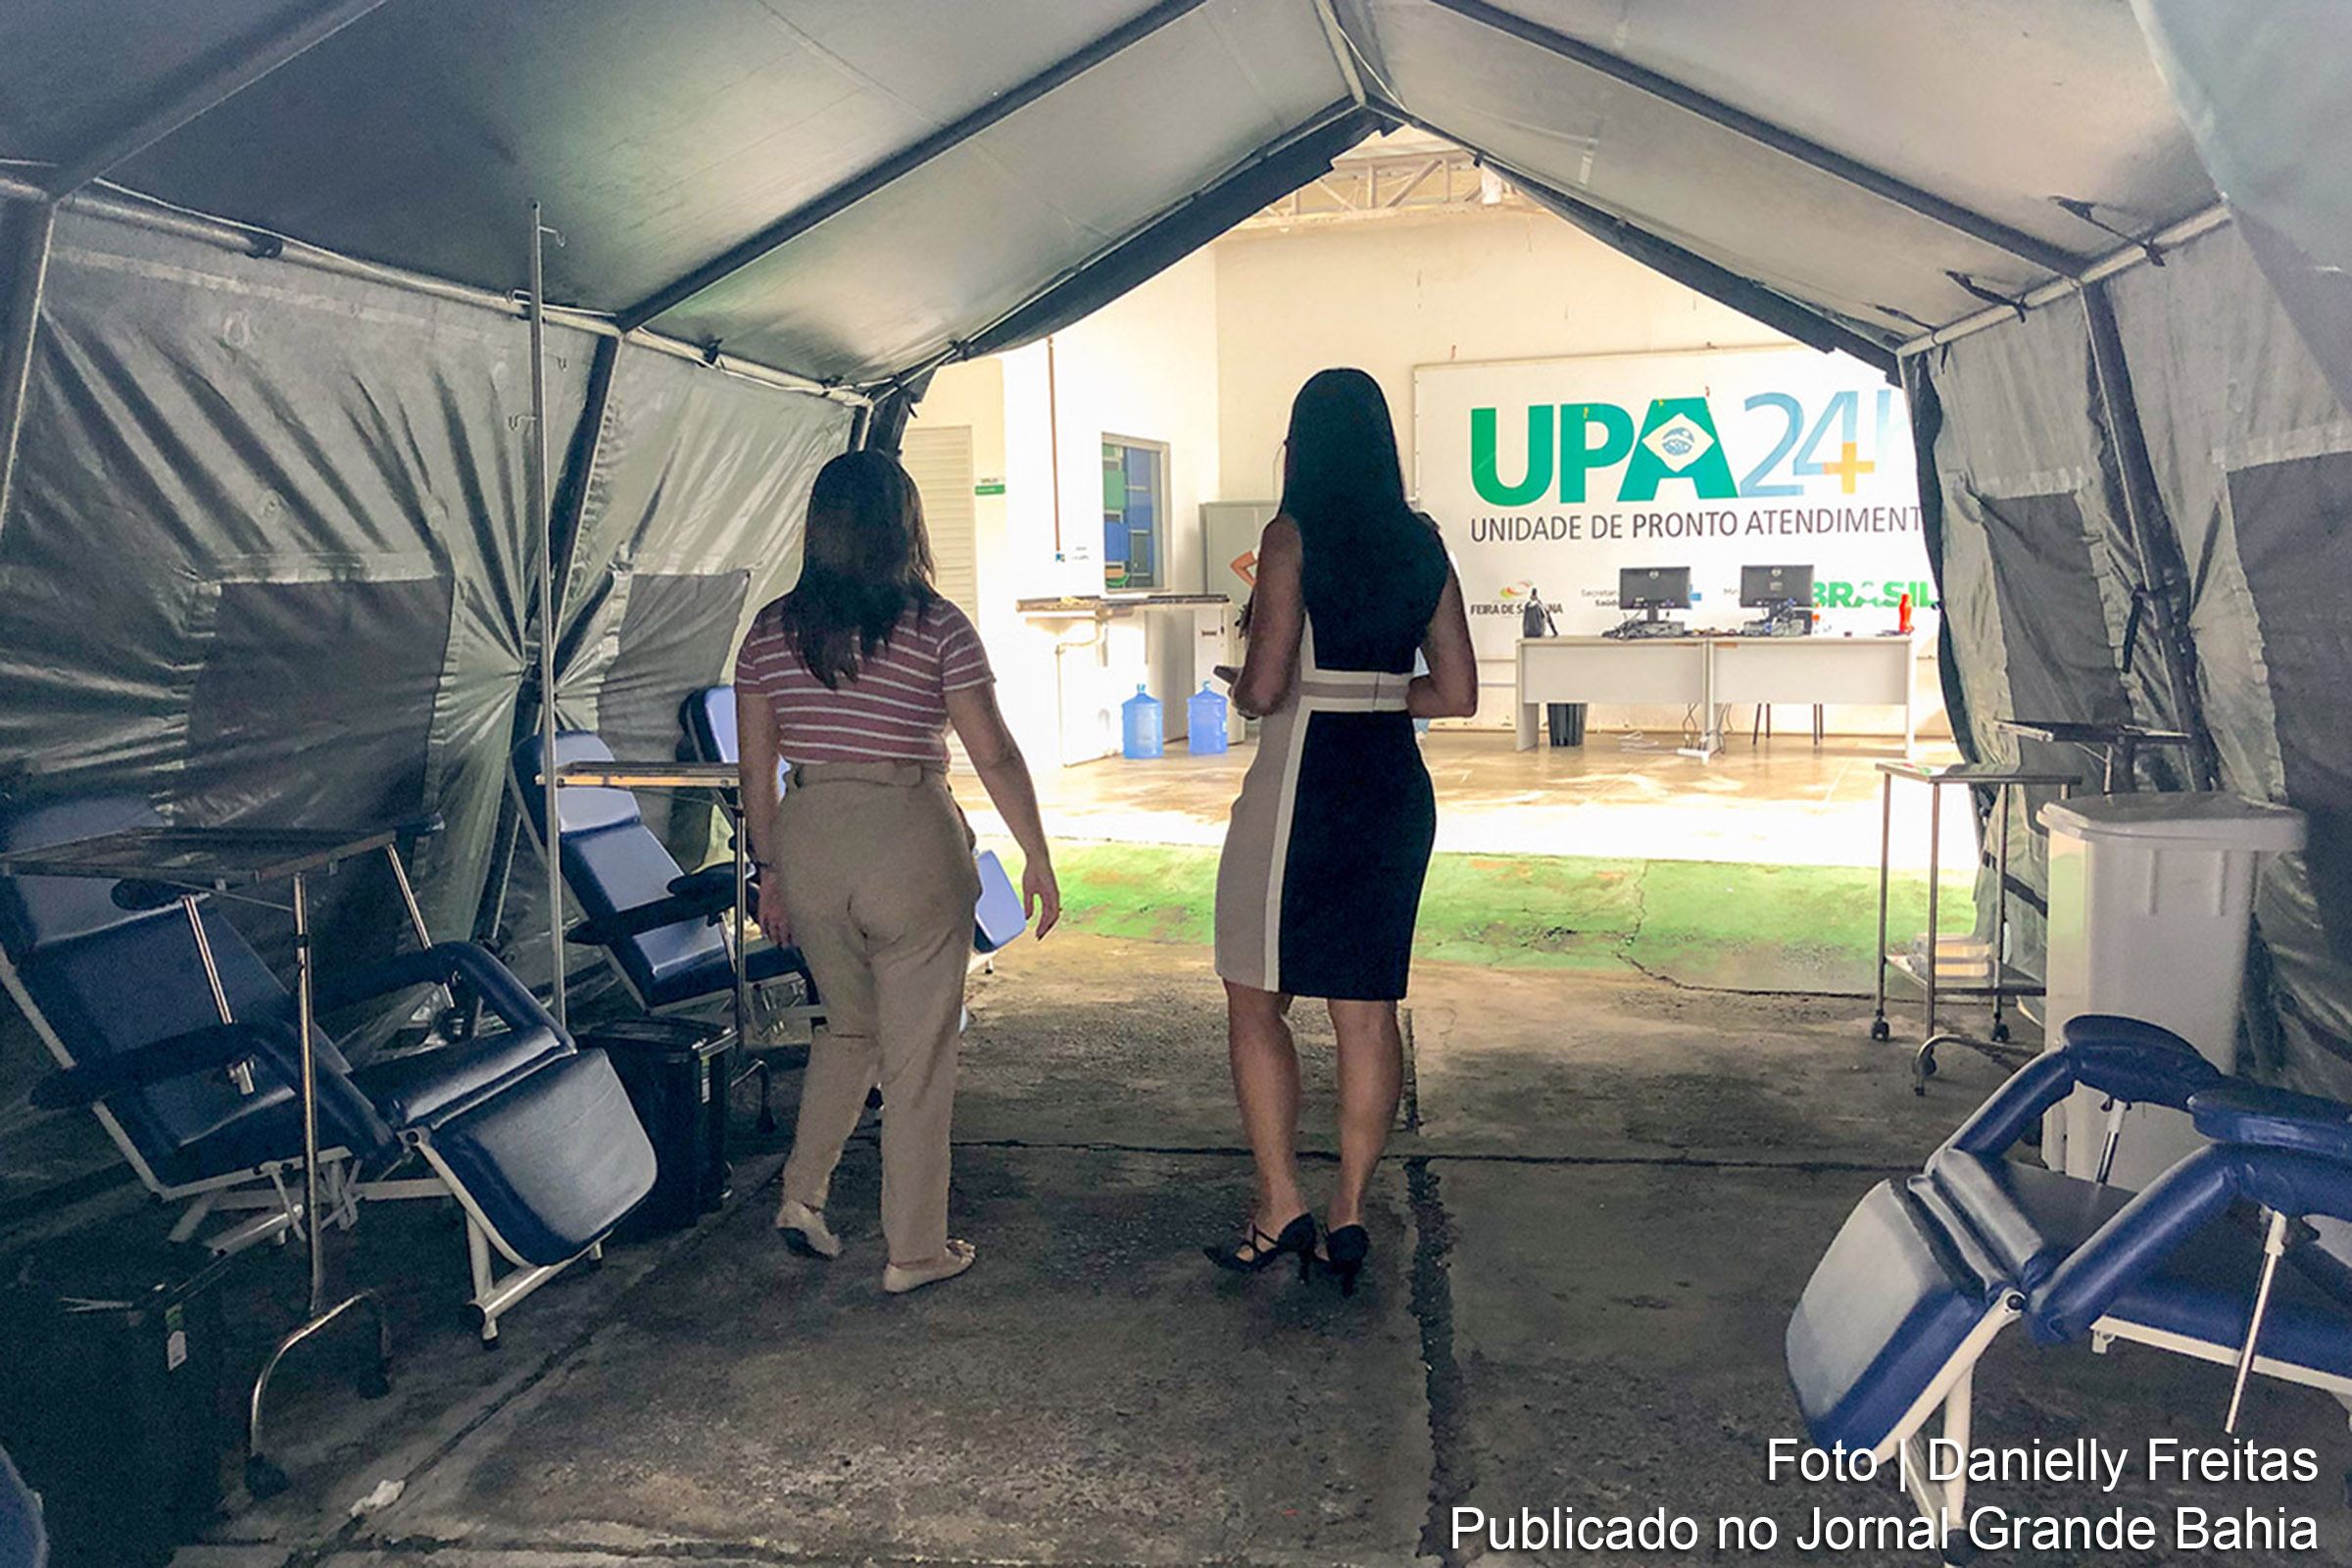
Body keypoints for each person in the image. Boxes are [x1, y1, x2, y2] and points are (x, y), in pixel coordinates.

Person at [736, 449, 1059, 1295]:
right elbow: (993, 752)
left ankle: (802, 1196)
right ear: (904, 525)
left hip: (810, 836)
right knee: (919, 1056)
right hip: (909, 834)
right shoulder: (936, 626)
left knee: (850, 1029)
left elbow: (754, 769)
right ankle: (914, 1250)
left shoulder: (769, 632)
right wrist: (1036, 852)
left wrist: (770, 870)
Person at [1208, 368, 1477, 1294]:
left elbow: (1266, 684)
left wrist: (1244, 687)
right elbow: (1457, 692)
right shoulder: (1421, 543)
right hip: (1391, 786)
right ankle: (1350, 1211)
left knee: (1254, 993)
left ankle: (1279, 1204)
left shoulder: (1291, 536)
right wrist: (1375, 693)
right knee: (1366, 1011)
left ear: (1301, 449)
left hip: (1302, 785)